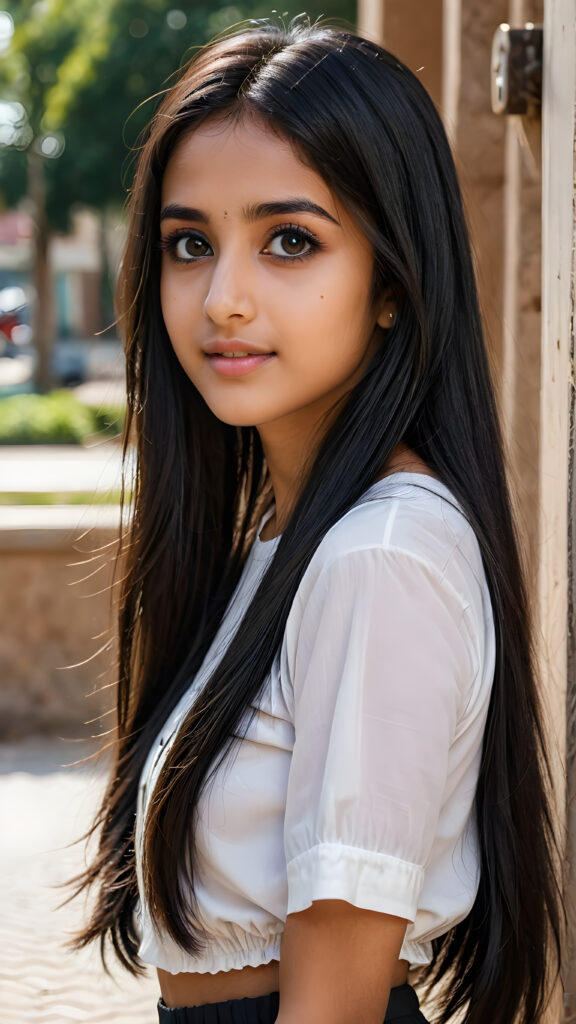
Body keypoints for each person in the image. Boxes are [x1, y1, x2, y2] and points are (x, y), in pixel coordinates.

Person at [71, 17, 562, 1024]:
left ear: (392, 280)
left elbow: (333, 991)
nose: (225, 298)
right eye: (190, 244)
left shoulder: (379, 556)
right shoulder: (288, 549)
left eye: (289, 241)